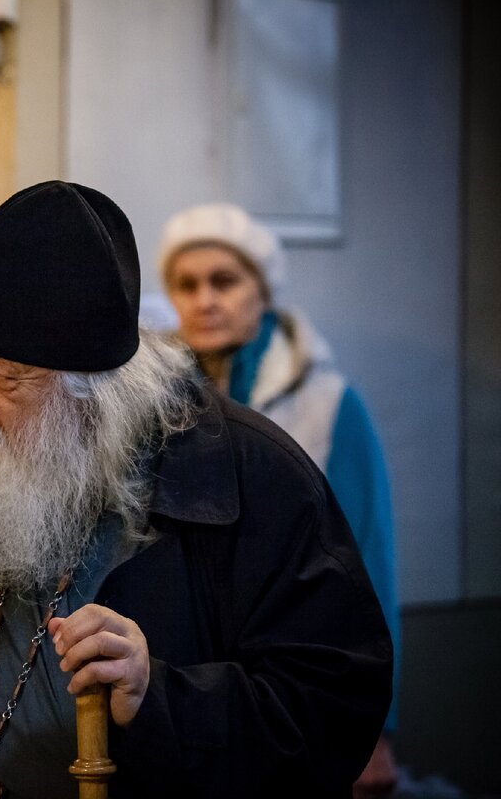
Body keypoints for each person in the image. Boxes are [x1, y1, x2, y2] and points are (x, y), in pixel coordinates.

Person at [0, 181, 392, 798]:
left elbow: (329, 713)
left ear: (92, 393)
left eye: (5, 373)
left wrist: (156, 698)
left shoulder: (252, 476)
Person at [157, 203, 401, 798]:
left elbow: (368, 561)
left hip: (297, 672)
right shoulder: (158, 404)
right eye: (186, 285)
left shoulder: (328, 404)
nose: (205, 300)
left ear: (263, 291)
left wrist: (377, 726)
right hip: (198, 686)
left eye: (225, 280)